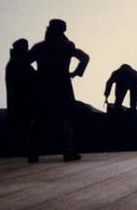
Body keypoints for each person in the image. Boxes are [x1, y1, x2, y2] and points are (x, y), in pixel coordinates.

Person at [26, 19, 90, 163]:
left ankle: (33, 151)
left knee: (39, 120)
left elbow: (24, 62)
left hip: (43, 87)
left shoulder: (40, 46)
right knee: (65, 118)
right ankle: (68, 151)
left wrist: (36, 76)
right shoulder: (67, 45)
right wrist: (76, 73)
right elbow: (85, 57)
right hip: (63, 86)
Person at [5, 38, 38, 155]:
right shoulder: (20, 63)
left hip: (16, 99)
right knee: (23, 124)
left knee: (16, 123)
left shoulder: (14, 62)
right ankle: (20, 147)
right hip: (23, 99)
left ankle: (13, 147)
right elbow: (32, 77)